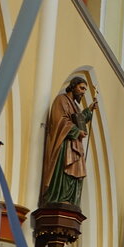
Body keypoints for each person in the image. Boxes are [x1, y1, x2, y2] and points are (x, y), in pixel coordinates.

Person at [41, 76, 98, 208]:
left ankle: (70, 201)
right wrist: (76, 132)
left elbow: (78, 120)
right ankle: (59, 197)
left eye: (85, 89)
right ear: (73, 86)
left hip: (75, 146)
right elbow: (59, 120)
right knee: (64, 173)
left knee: (75, 175)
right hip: (65, 145)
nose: (84, 92)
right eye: (82, 88)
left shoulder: (76, 107)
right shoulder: (61, 100)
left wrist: (89, 111)